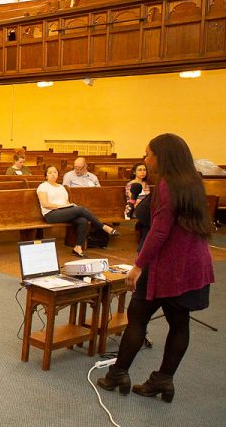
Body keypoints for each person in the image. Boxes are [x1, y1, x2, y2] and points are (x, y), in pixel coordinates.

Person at [97, 134, 214, 402]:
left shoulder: (165, 186)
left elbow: (159, 233)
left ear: (163, 156)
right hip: (194, 263)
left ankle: (118, 374)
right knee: (179, 322)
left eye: (148, 154)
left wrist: (138, 266)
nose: (145, 159)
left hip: (169, 265)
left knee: (137, 316)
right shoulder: (193, 181)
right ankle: (163, 380)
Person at [36, 165, 118, 257]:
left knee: (83, 220)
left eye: (55, 172)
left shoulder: (61, 187)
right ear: (46, 176)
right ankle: (102, 226)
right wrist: (62, 206)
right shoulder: (43, 186)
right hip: (50, 214)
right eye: (50, 173)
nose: (53, 174)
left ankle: (78, 247)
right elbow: (45, 204)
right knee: (81, 209)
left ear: (58, 174)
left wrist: (69, 206)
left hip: (63, 211)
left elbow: (66, 201)